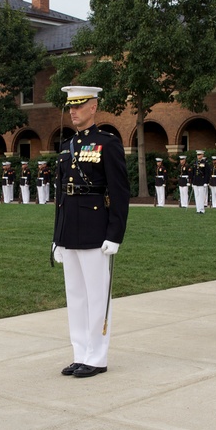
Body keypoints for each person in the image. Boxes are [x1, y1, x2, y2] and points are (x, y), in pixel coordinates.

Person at [52, 86, 129, 378]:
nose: (73, 111)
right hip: (69, 230)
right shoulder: (66, 145)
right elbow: (60, 195)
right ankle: (80, 352)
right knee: (75, 296)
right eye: (71, 106)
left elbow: (120, 193)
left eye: (79, 105)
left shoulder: (107, 143)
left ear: (93, 107)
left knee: (97, 295)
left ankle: (97, 356)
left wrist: (115, 234)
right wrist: (56, 237)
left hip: (96, 229)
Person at [192, 150, 211, 214]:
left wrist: (206, 182)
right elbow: (193, 173)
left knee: (201, 196)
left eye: (200, 155)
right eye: (197, 155)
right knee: (196, 196)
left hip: (202, 181)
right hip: (196, 181)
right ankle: (198, 209)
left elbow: (207, 173)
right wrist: (192, 182)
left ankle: (202, 209)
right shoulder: (195, 162)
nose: (198, 156)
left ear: (202, 155)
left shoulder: (205, 163)